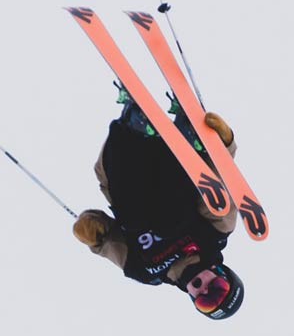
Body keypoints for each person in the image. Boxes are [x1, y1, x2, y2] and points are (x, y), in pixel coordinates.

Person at [70, 96, 246, 320]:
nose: (204, 289)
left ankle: (132, 123)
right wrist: (222, 147)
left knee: (134, 220)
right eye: (217, 288)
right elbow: (216, 184)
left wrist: (92, 233)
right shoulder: (214, 235)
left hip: (128, 164)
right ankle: (191, 139)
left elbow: (106, 241)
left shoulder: (144, 270)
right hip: (171, 163)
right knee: (174, 222)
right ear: (222, 273)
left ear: (193, 299)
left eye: (205, 301)